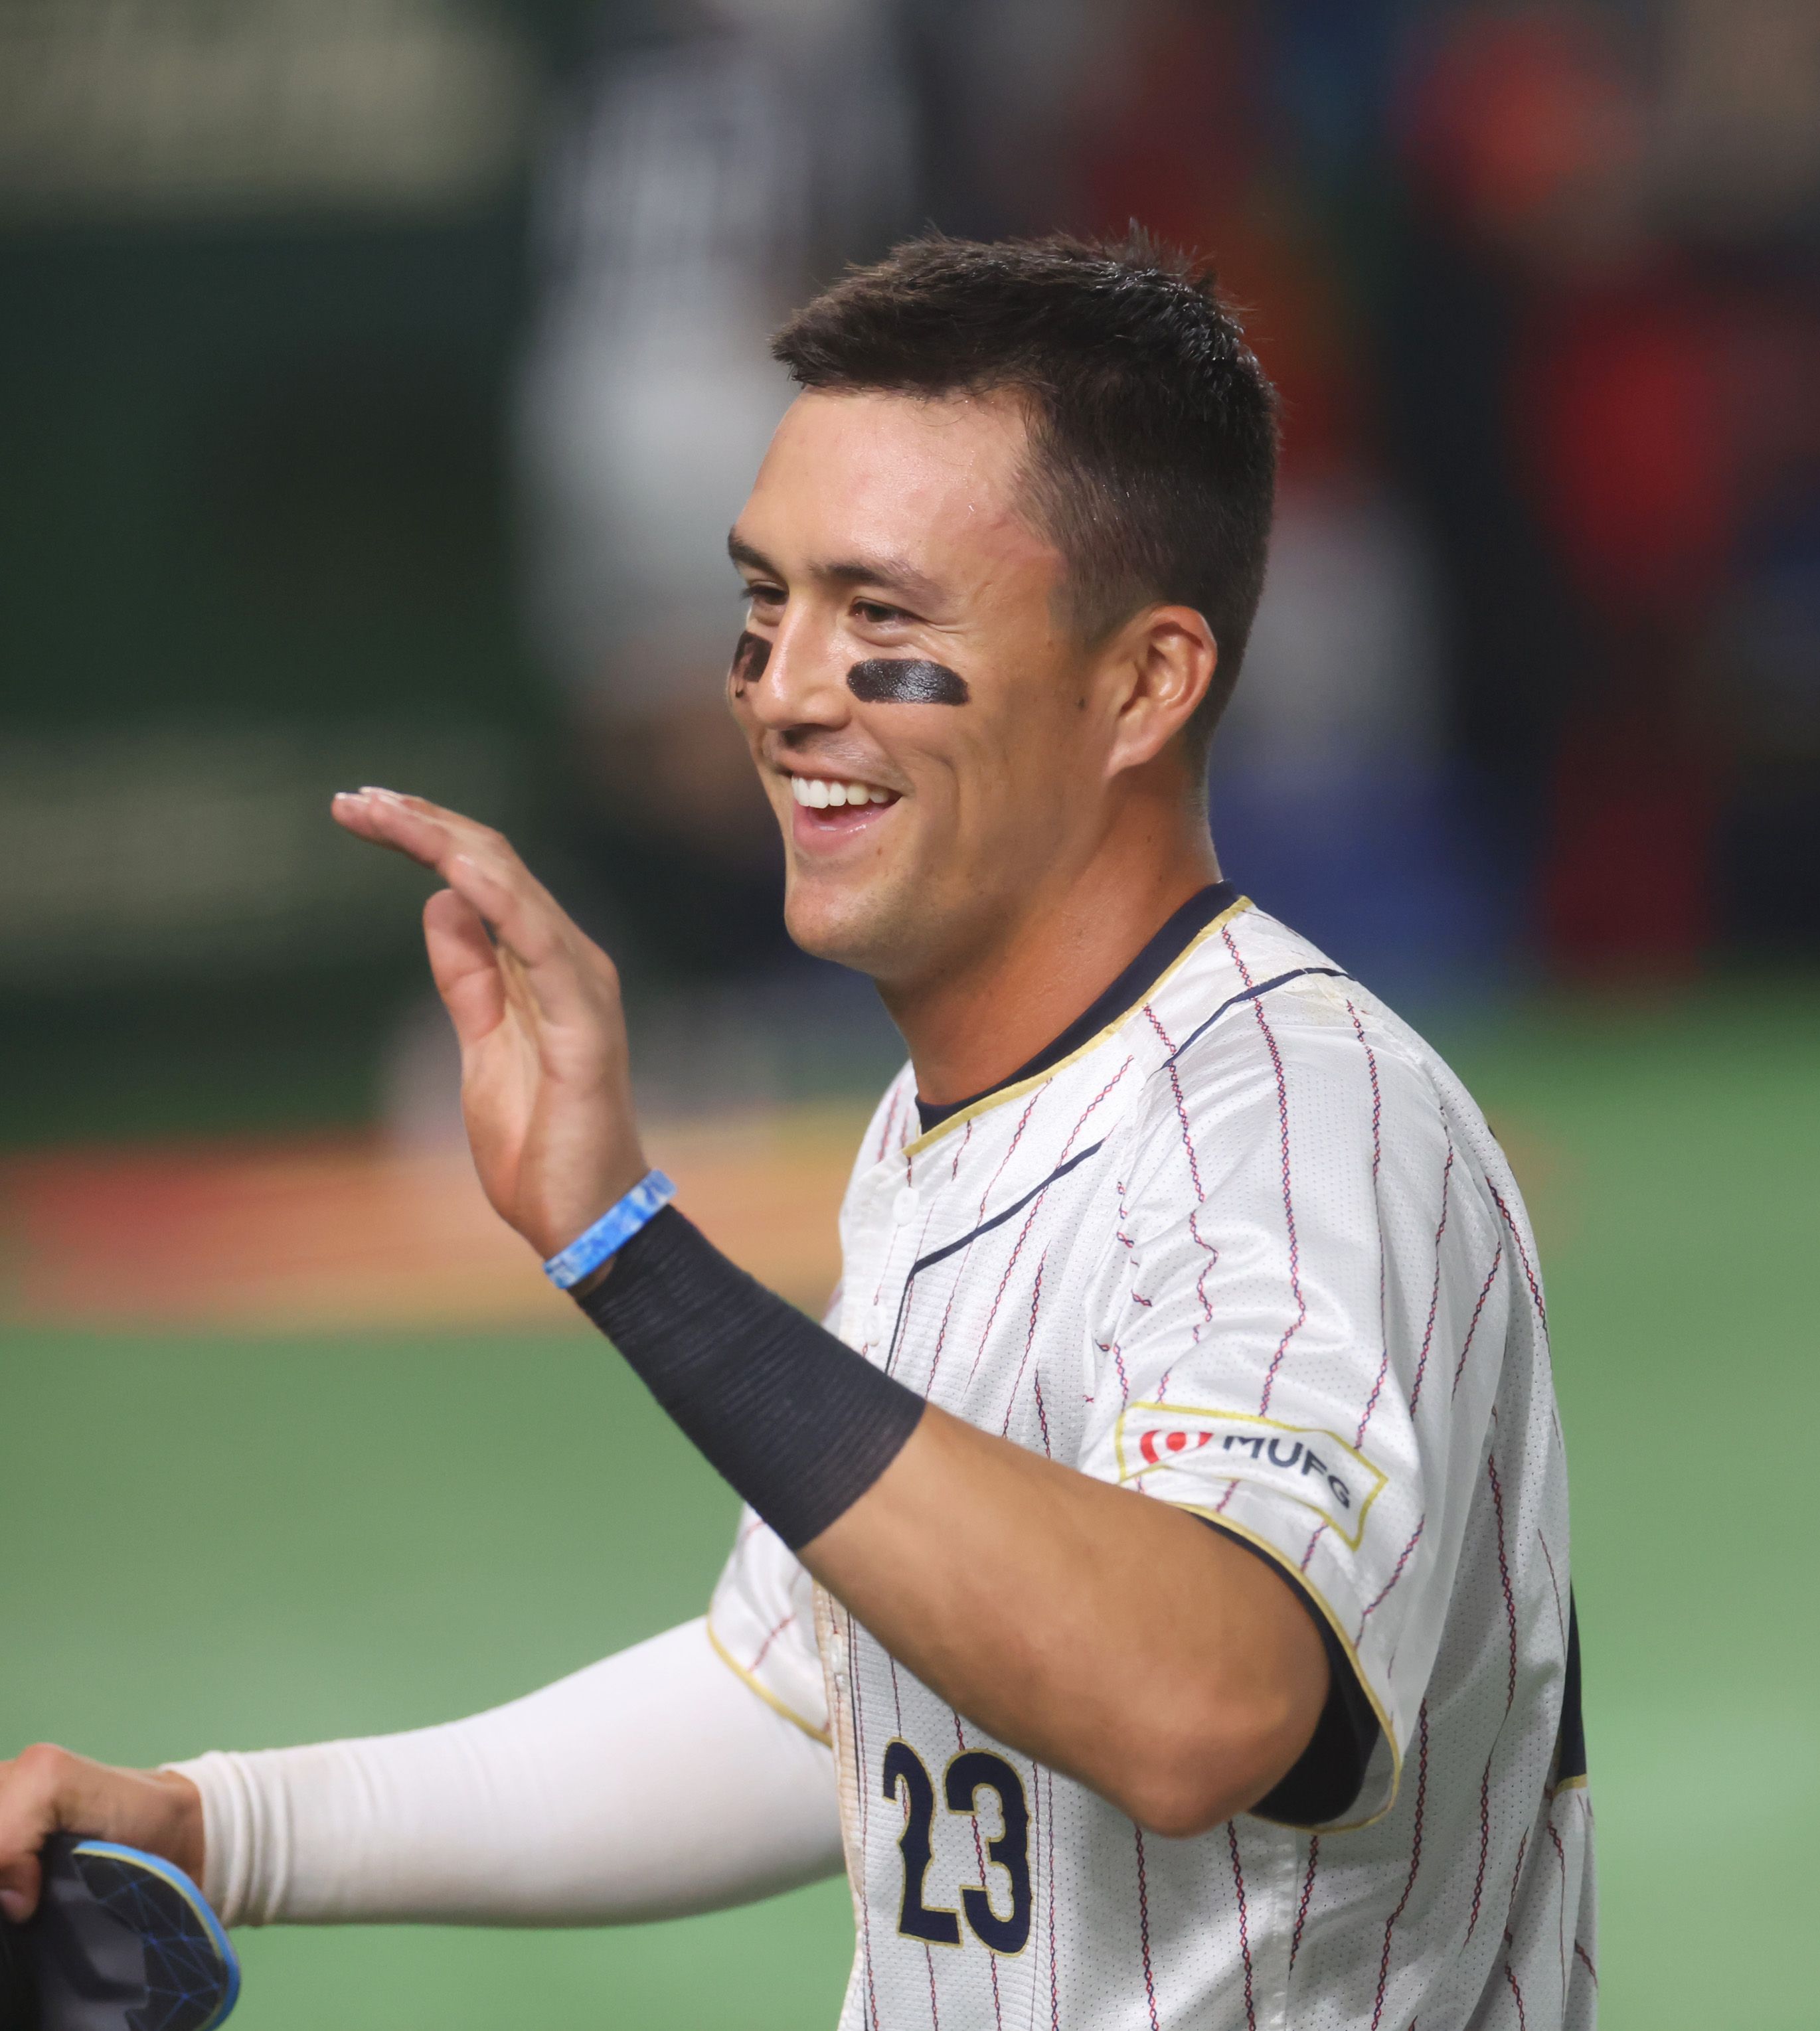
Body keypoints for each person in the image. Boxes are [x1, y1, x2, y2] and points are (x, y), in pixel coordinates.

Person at [0, 234, 1594, 2031]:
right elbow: (803, 1698)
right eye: (768, 599)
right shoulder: (950, 1126)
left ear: (1144, 685)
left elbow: (1206, 1699)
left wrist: (632, 1246)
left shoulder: (1299, 1123)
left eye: (883, 616)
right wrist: (223, 1825)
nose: (780, 686)